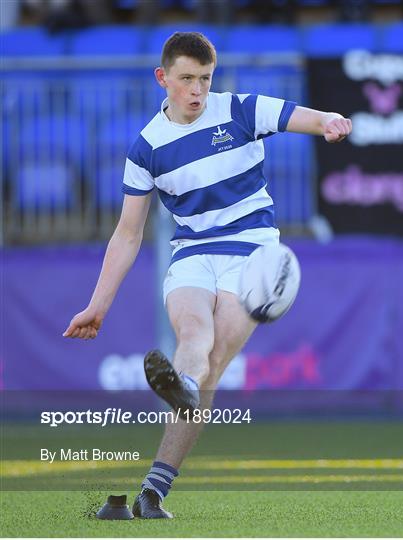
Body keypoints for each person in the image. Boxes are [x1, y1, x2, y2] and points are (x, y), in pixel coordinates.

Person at [63, 31, 352, 519]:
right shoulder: (146, 149)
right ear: (163, 79)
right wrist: (98, 305)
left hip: (255, 254)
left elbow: (297, 116)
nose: (197, 90)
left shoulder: (239, 109)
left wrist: (328, 121)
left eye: (204, 79)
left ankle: (157, 480)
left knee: (214, 355)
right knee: (195, 334)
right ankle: (176, 421)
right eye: (186, 80)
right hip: (194, 253)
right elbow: (127, 235)